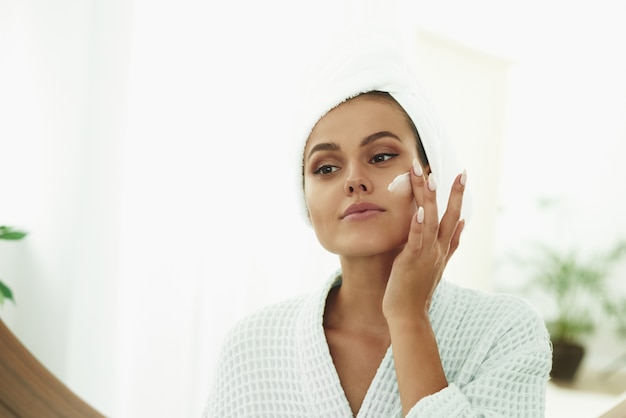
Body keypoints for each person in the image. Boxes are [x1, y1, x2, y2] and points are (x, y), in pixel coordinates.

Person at [203, 28, 552, 417]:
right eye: (327, 167)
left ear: (429, 173)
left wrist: (408, 318)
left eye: (381, 156)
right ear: (303, 197)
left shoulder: (504, 333)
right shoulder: (253, 346)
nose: (354, 179)